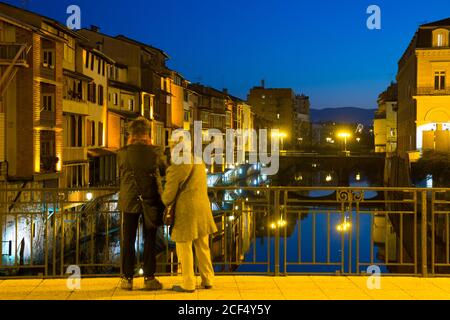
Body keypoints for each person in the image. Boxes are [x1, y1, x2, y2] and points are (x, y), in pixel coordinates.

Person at [117, 117, 167, 290]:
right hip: (150, 200)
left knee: (128, 240)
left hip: (129, 201)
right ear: (148, 134)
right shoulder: (155, 151)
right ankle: (149, 278)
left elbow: (121, 171)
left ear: (131, 134)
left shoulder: (123, 152)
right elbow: (163, 169)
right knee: (150, 240)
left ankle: (127, 279)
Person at [162, 143, 217, 293]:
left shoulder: (177, 166)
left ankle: (188, 283)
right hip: (203, 208)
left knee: (184, 246)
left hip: (186, 212)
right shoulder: (198, 161)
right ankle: (208, 279)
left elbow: (168, 197)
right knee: (202, 246)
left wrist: (163, 196)